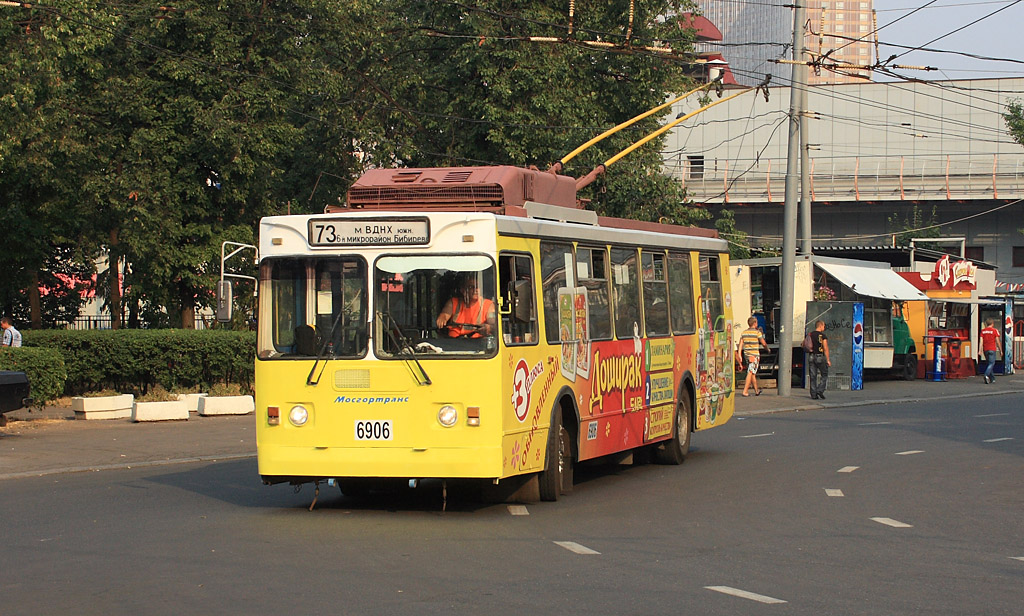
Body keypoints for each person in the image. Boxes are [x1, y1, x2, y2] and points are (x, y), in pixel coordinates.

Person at [737, 316, 769, 397]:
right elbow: (763, 343)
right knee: (750, 372)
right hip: (754, 356)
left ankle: (756, 390)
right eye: (757, 322)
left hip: (747, 355)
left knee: (753, 373)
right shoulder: (757, 333)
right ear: (754, 323)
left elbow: (740, 344)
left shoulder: (744, 333)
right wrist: (767, 349)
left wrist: (740, 354)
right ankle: (745, 391)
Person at [807, 319, 830, 400]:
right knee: (824, 374)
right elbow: (825, 348)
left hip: (811, 356)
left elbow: (803, 344)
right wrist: (827, 359)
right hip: (820, 356)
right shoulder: (823, 336)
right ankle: (820, 390)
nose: (824, 327)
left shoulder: (810, 334)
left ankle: (813, 394)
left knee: (813, 376)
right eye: (824, 326)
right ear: (820, 326)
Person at [980, 318, 999, 384]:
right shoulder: (994, 331)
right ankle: (986, 375)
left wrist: (980, 350)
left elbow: (981, 342)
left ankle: (992, 378)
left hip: (985, 349)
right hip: (992, 349)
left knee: (989, 364)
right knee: (991, 363)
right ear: (992, 324)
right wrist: (1000, 350)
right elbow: (997, 341)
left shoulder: (983, 331)